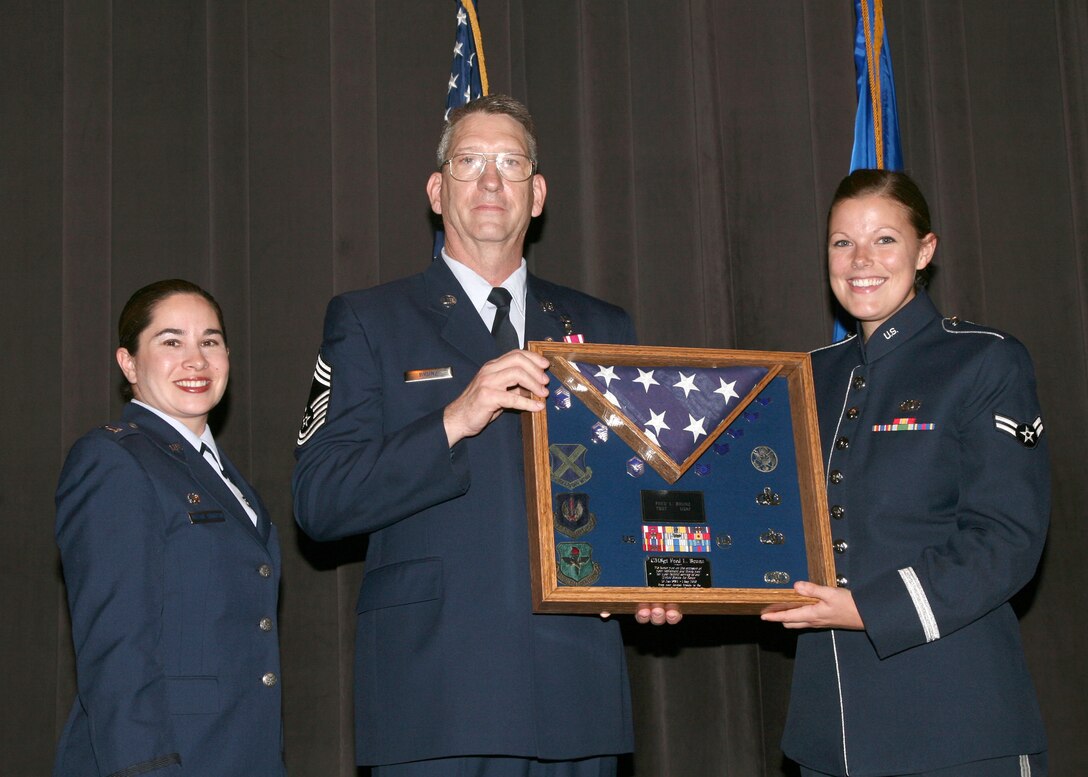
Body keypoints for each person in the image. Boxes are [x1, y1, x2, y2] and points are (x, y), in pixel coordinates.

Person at [293, 94, 677, 777]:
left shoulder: (604, 326)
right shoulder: (368, 320)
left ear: (538, 194)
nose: (492, 180)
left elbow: (640, 493)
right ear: (438, 191)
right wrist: (454, 417)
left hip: (576, 696)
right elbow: (319, 501)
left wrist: (662, 572)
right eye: (470, 161)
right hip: (436, 698)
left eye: (511, 162)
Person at [762, 170, 1049, 776]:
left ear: (925, 251)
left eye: (884, 240)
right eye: (842, 242)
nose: (861, 260)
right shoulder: (802, 377)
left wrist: (869, 608)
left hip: (957, 725)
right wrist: (670, 584)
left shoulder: (984, 359)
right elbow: (759, 519)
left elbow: (1007, 541)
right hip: (827, 737)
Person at [54, 279, 286, 777]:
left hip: (239, 754)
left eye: (210, 341)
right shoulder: (115, 460)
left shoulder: (218, 473)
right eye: (171, 341)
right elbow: (115, 651)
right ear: (129, 363)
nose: (196, 360)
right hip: (163, 758)